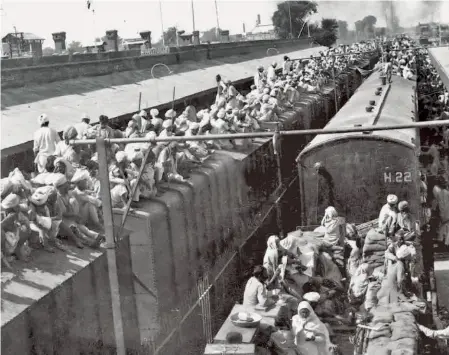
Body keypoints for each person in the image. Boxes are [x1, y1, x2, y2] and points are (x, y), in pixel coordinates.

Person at [432, 175, 449, 247]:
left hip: (441, 213)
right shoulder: (448, 193)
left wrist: (434, 211)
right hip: (447, 212)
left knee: (442, 226)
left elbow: (435, 205)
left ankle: (441, 239)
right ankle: (446, 242)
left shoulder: (439, 193)